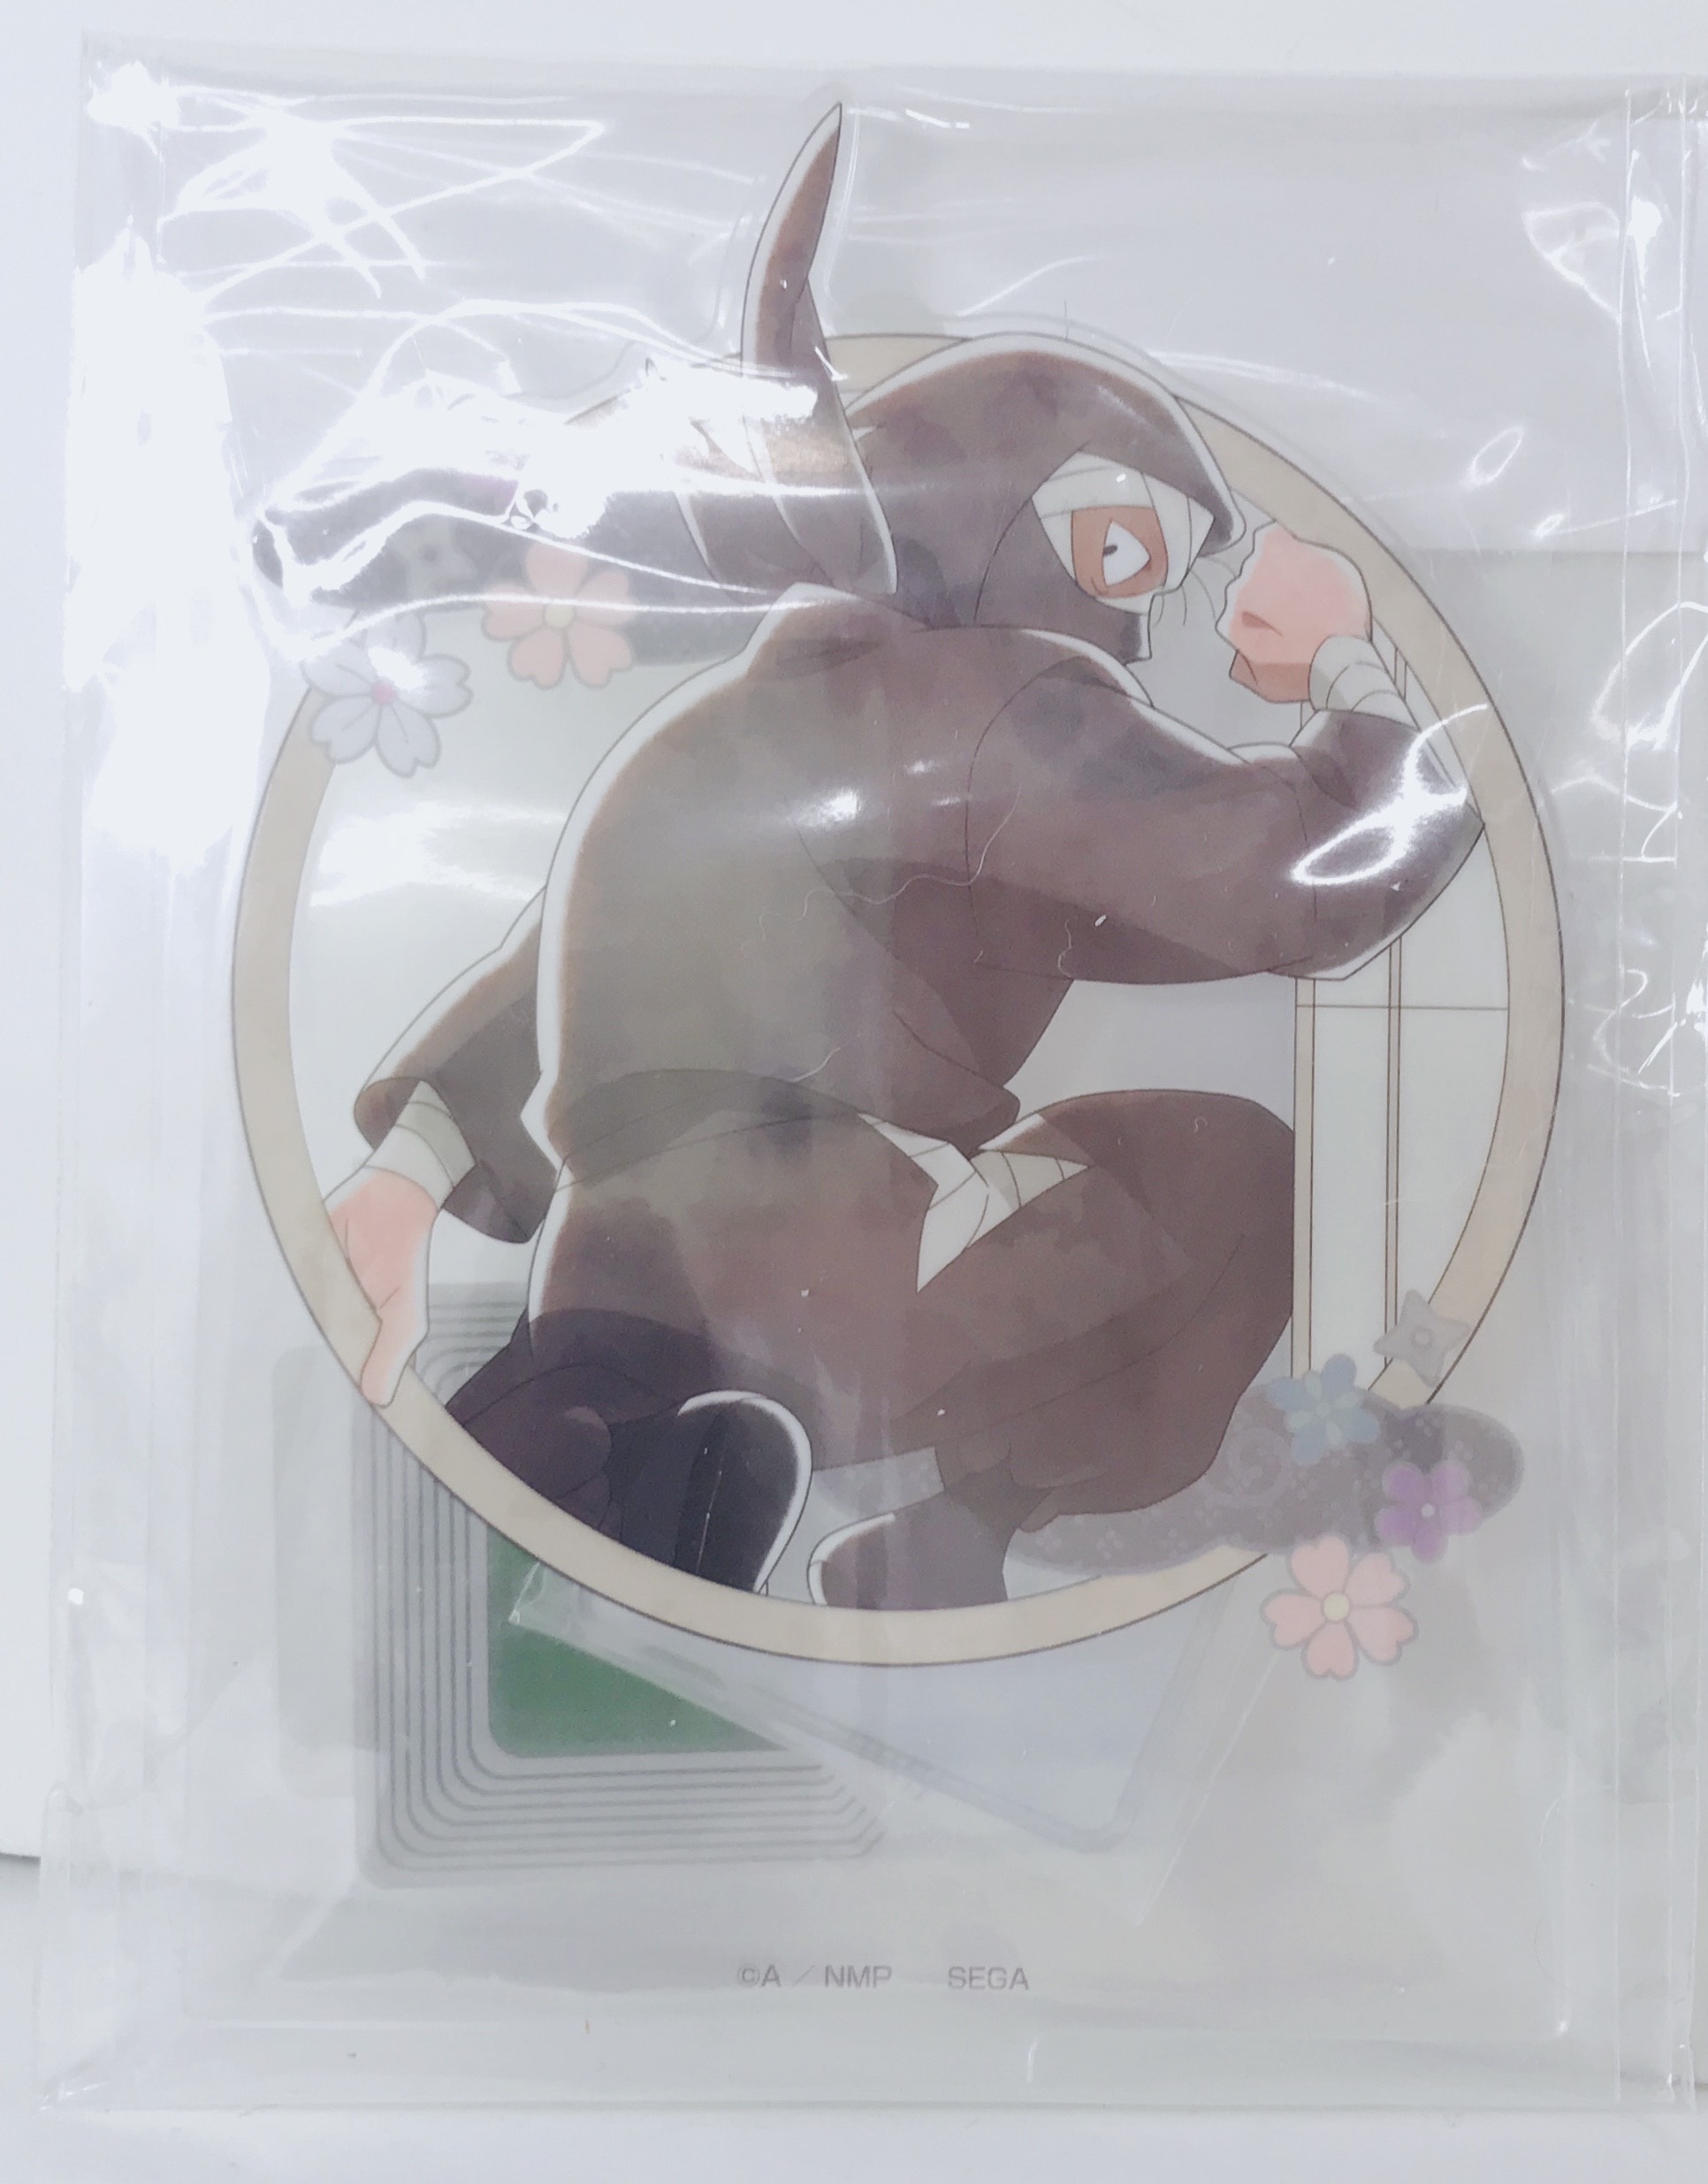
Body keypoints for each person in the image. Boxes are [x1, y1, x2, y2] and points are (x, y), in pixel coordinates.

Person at [300, 114, 1480, 1608]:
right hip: (841, 1251)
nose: (1132, 627)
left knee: (592, 1440)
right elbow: (1290, 887)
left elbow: (567, 959)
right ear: (990, 521)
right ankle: (950, 1522)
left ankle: (597, 1443)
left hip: (622, 1264)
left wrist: (409, 1171)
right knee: (1228, 1169)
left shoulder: (742, 736)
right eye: (1122, 555)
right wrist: (1350, 676)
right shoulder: (984, 701)